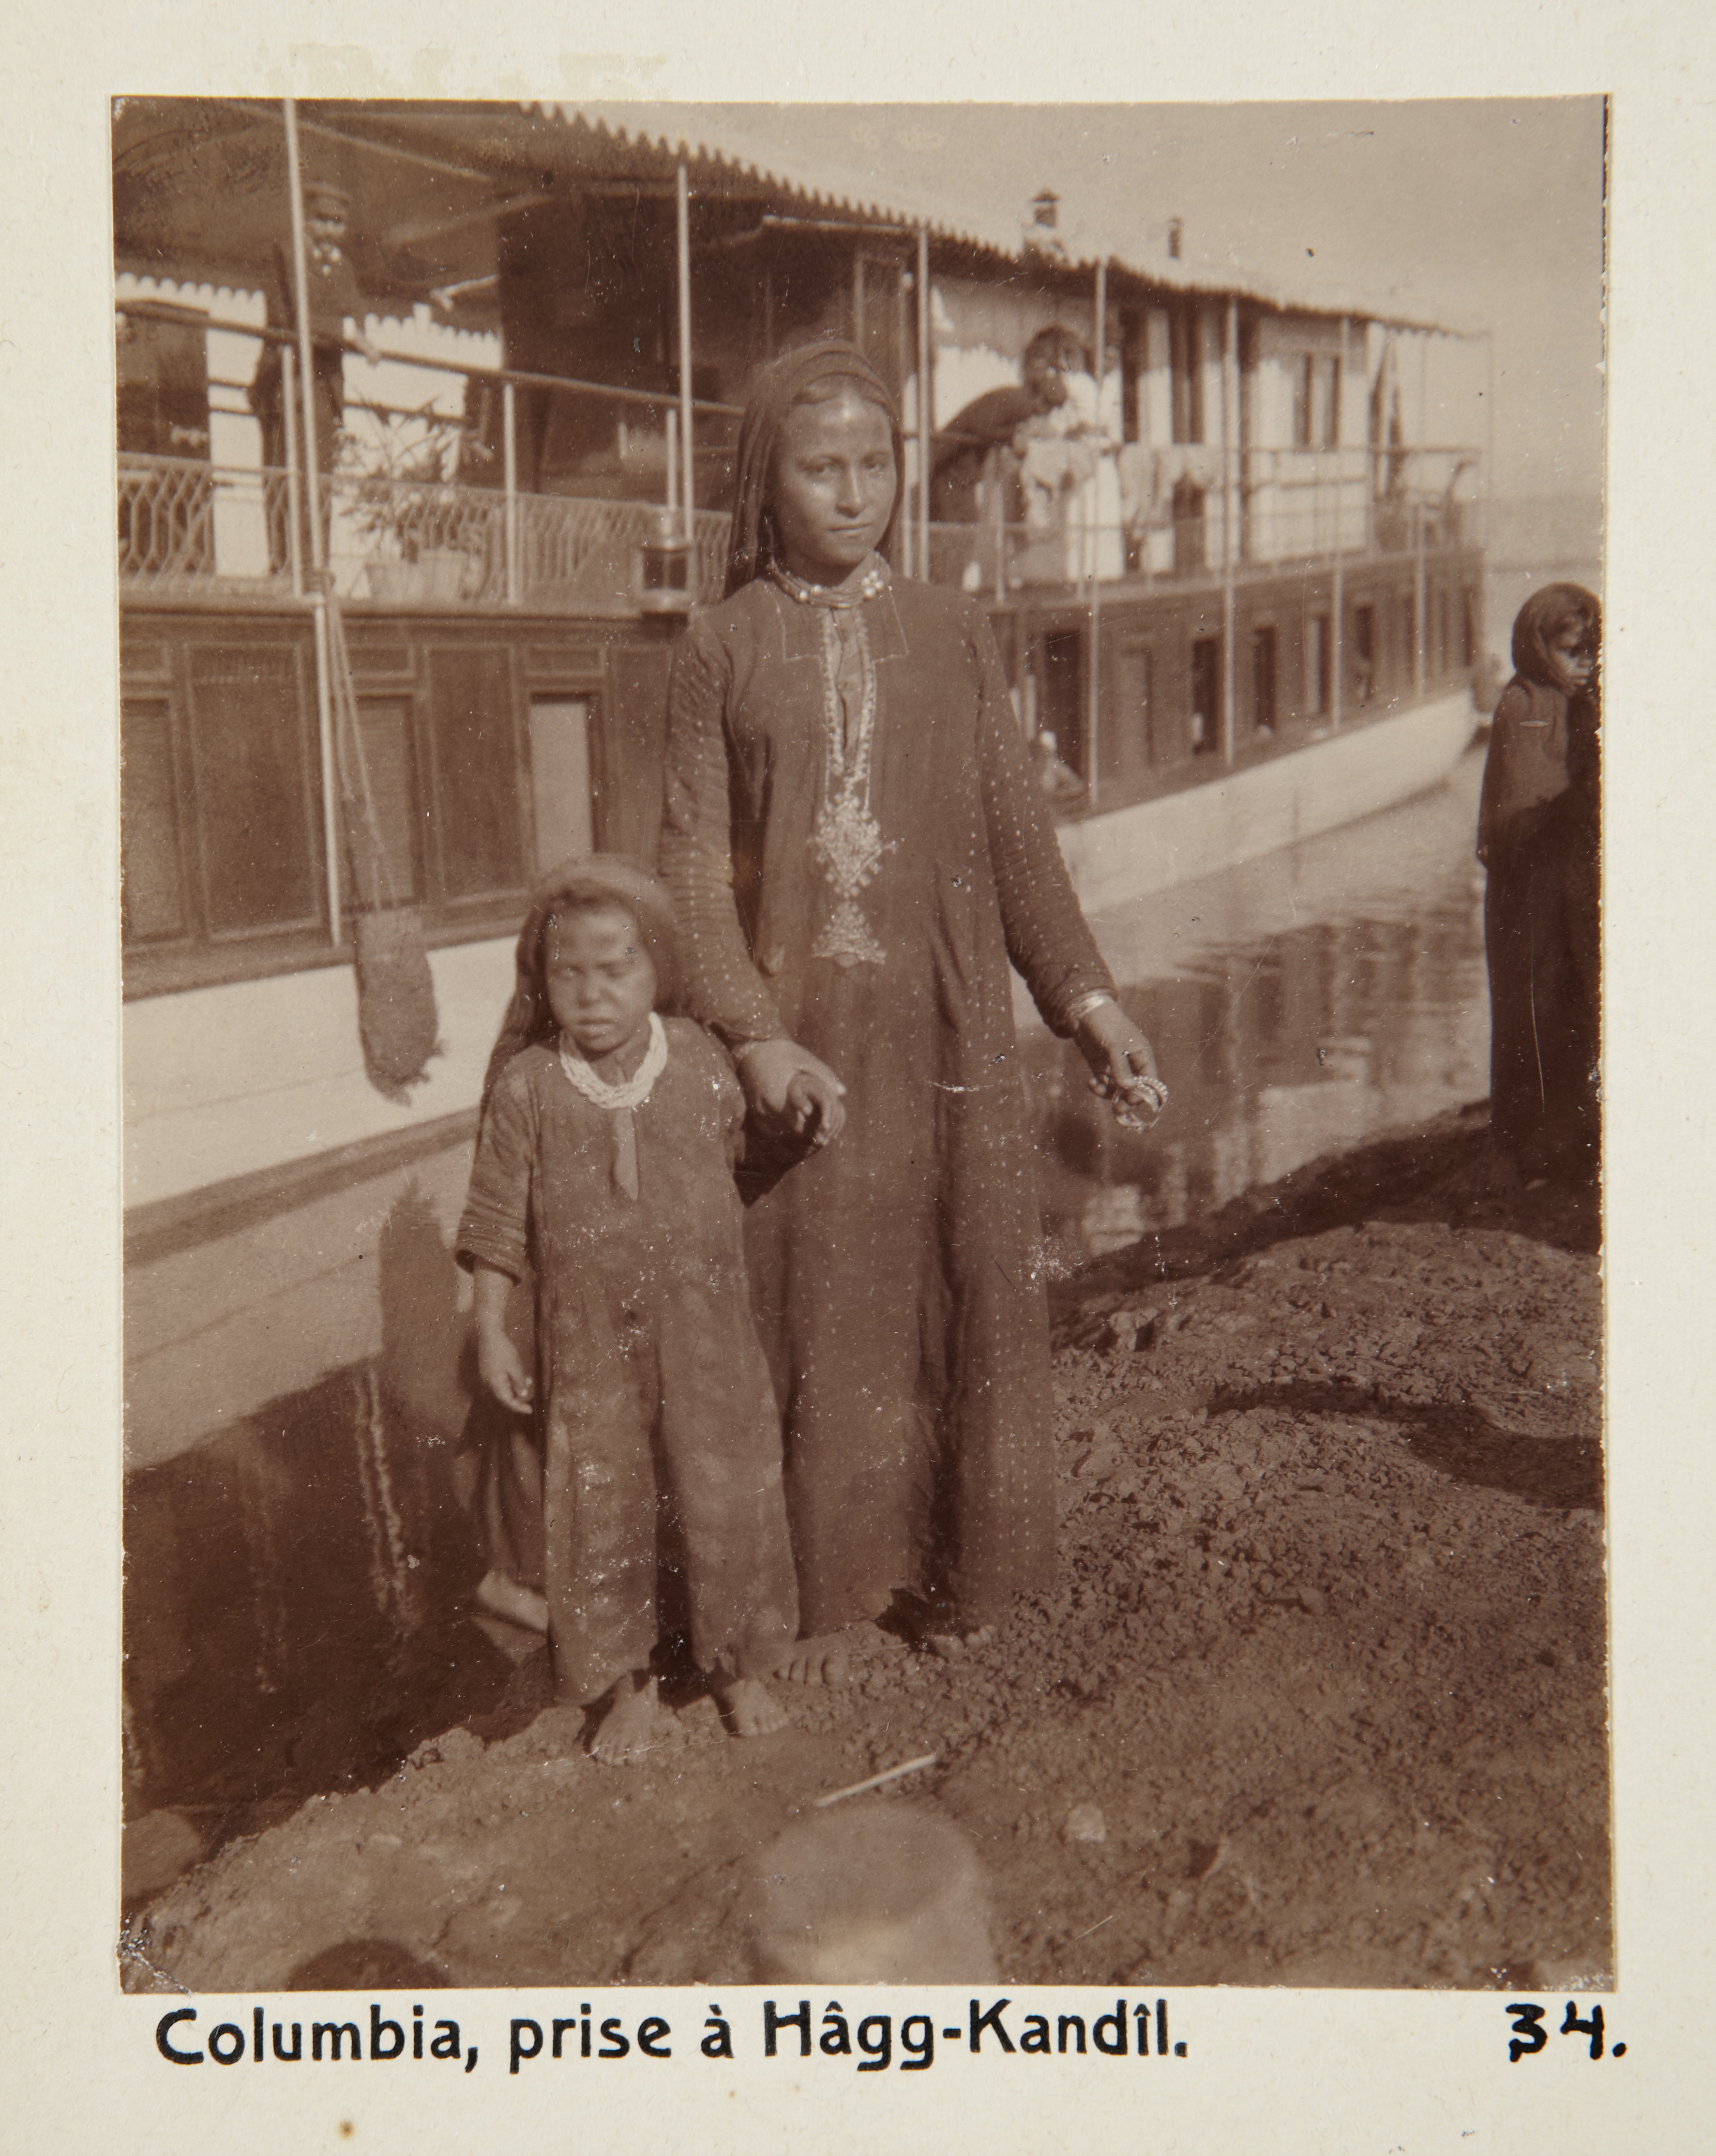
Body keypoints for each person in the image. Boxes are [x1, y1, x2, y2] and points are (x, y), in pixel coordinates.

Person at [658, 336, 1166, 1685]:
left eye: (874, 464)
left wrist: (1088, 1002)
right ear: (764, 485)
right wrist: (753, 1033)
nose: (854, 493)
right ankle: (828, 1600)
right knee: (816, 1303)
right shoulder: (719, 646)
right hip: (803, 1046)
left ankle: (969, 1569)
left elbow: (1016, 841)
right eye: (819, 469)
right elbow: (693, 873)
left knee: (955, 1279)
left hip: (945, 1030)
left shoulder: (949, 629)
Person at [455, 857, 830, 1762]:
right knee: (605, 1509)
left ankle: (737, 1668)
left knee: (723, 1490)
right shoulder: (528, 1088)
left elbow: (745, 1159)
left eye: (615, 968)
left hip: (706, 1338)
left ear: (658, 970)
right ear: (540, 981)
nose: (591, 994)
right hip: (587, 1348)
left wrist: (798, 1113)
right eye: (567, 973)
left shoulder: (698, 1059)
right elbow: (496, 1221)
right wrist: (491, 1327)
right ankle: (630, 1683)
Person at [1476, 583, 1601, 1186]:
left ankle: (1568, 1143)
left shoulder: (1583, 703)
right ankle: (1522, 1148)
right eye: (1571, 651)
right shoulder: (1522, 705)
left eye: (1591, 651)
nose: (1585, 663)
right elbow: (1511, 821)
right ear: (1538, 646)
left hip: (1569, 888)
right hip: (1526, 895)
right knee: (1531, 1012)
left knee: (1573, 1009)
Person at [249, 179, 379, 565]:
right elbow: (295, 318)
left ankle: (316, 568)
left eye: (338, 222)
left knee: (320, 482)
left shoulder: (344, 268)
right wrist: (346, 333)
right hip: (286, 382)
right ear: (306, 217)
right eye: (323, 219)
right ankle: (284, 568)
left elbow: (358, 320)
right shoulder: (287, 254)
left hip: (324, 388)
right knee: (284, 477)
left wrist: (346, 331)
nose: (330, 229)